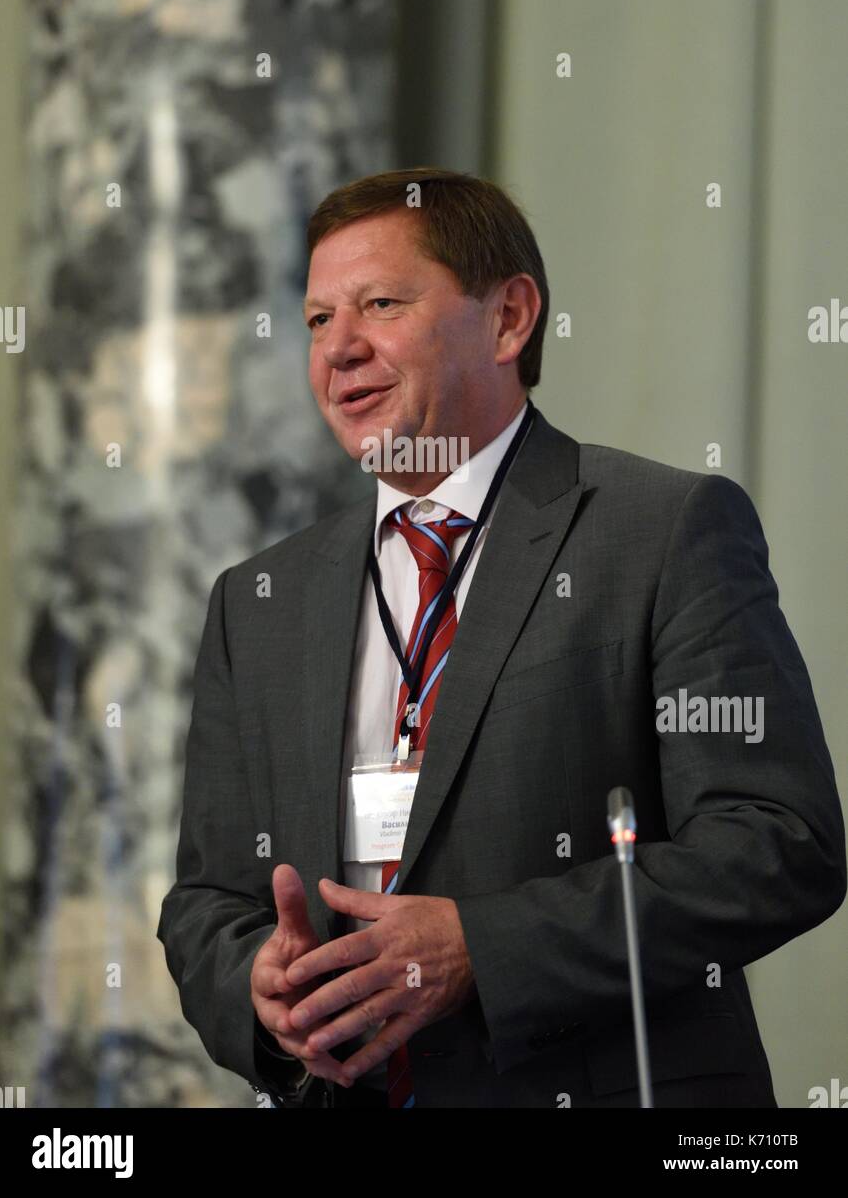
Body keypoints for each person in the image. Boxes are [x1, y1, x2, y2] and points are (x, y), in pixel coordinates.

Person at [157, 167, 846, 1109]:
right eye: (318, 320)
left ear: (509, 319)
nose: (339, 350)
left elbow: (778, 844)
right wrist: (261, 992)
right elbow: (208, 899)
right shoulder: (260, 599)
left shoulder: (664, 527)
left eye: (380, 304)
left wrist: (482, 950)